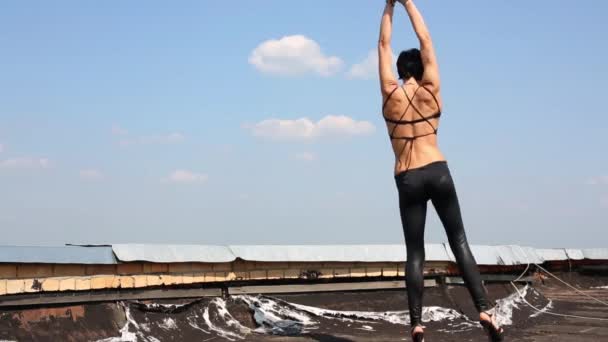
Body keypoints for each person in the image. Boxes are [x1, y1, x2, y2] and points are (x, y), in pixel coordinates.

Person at [378, 0, 505, 341]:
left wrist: (388, 5)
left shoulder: (390, 94)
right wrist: (406, 1)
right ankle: (484, 309)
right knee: (459, 240)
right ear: (420, 68)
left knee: (415, 252)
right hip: (437, 169)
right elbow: (427, 39)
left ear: (399, 70)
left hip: (407, 176)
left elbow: (383, 44)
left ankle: (417, 323)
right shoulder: (431, 91)